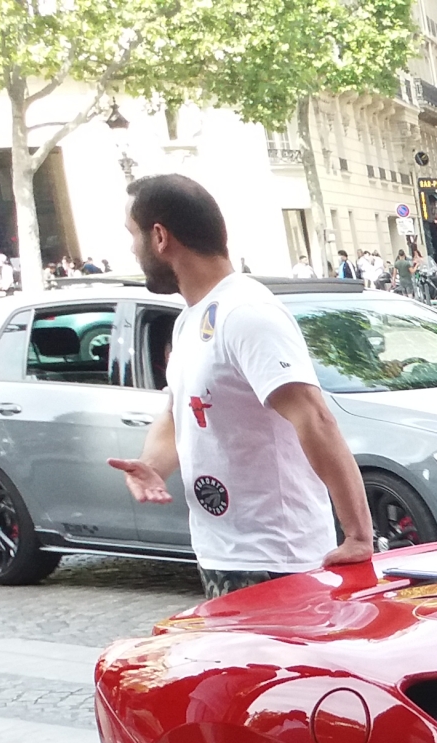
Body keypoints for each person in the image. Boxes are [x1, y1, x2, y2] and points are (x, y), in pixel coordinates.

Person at [106, 175, 371, 597]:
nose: (131, 249)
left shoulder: (246, 312)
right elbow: (180, 415)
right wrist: (152, 467)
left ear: (159, 236)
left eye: (131, 235)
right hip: (222, 554)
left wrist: (358, 534)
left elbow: (314, 417)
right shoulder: (189, 319)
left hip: (279, 561)